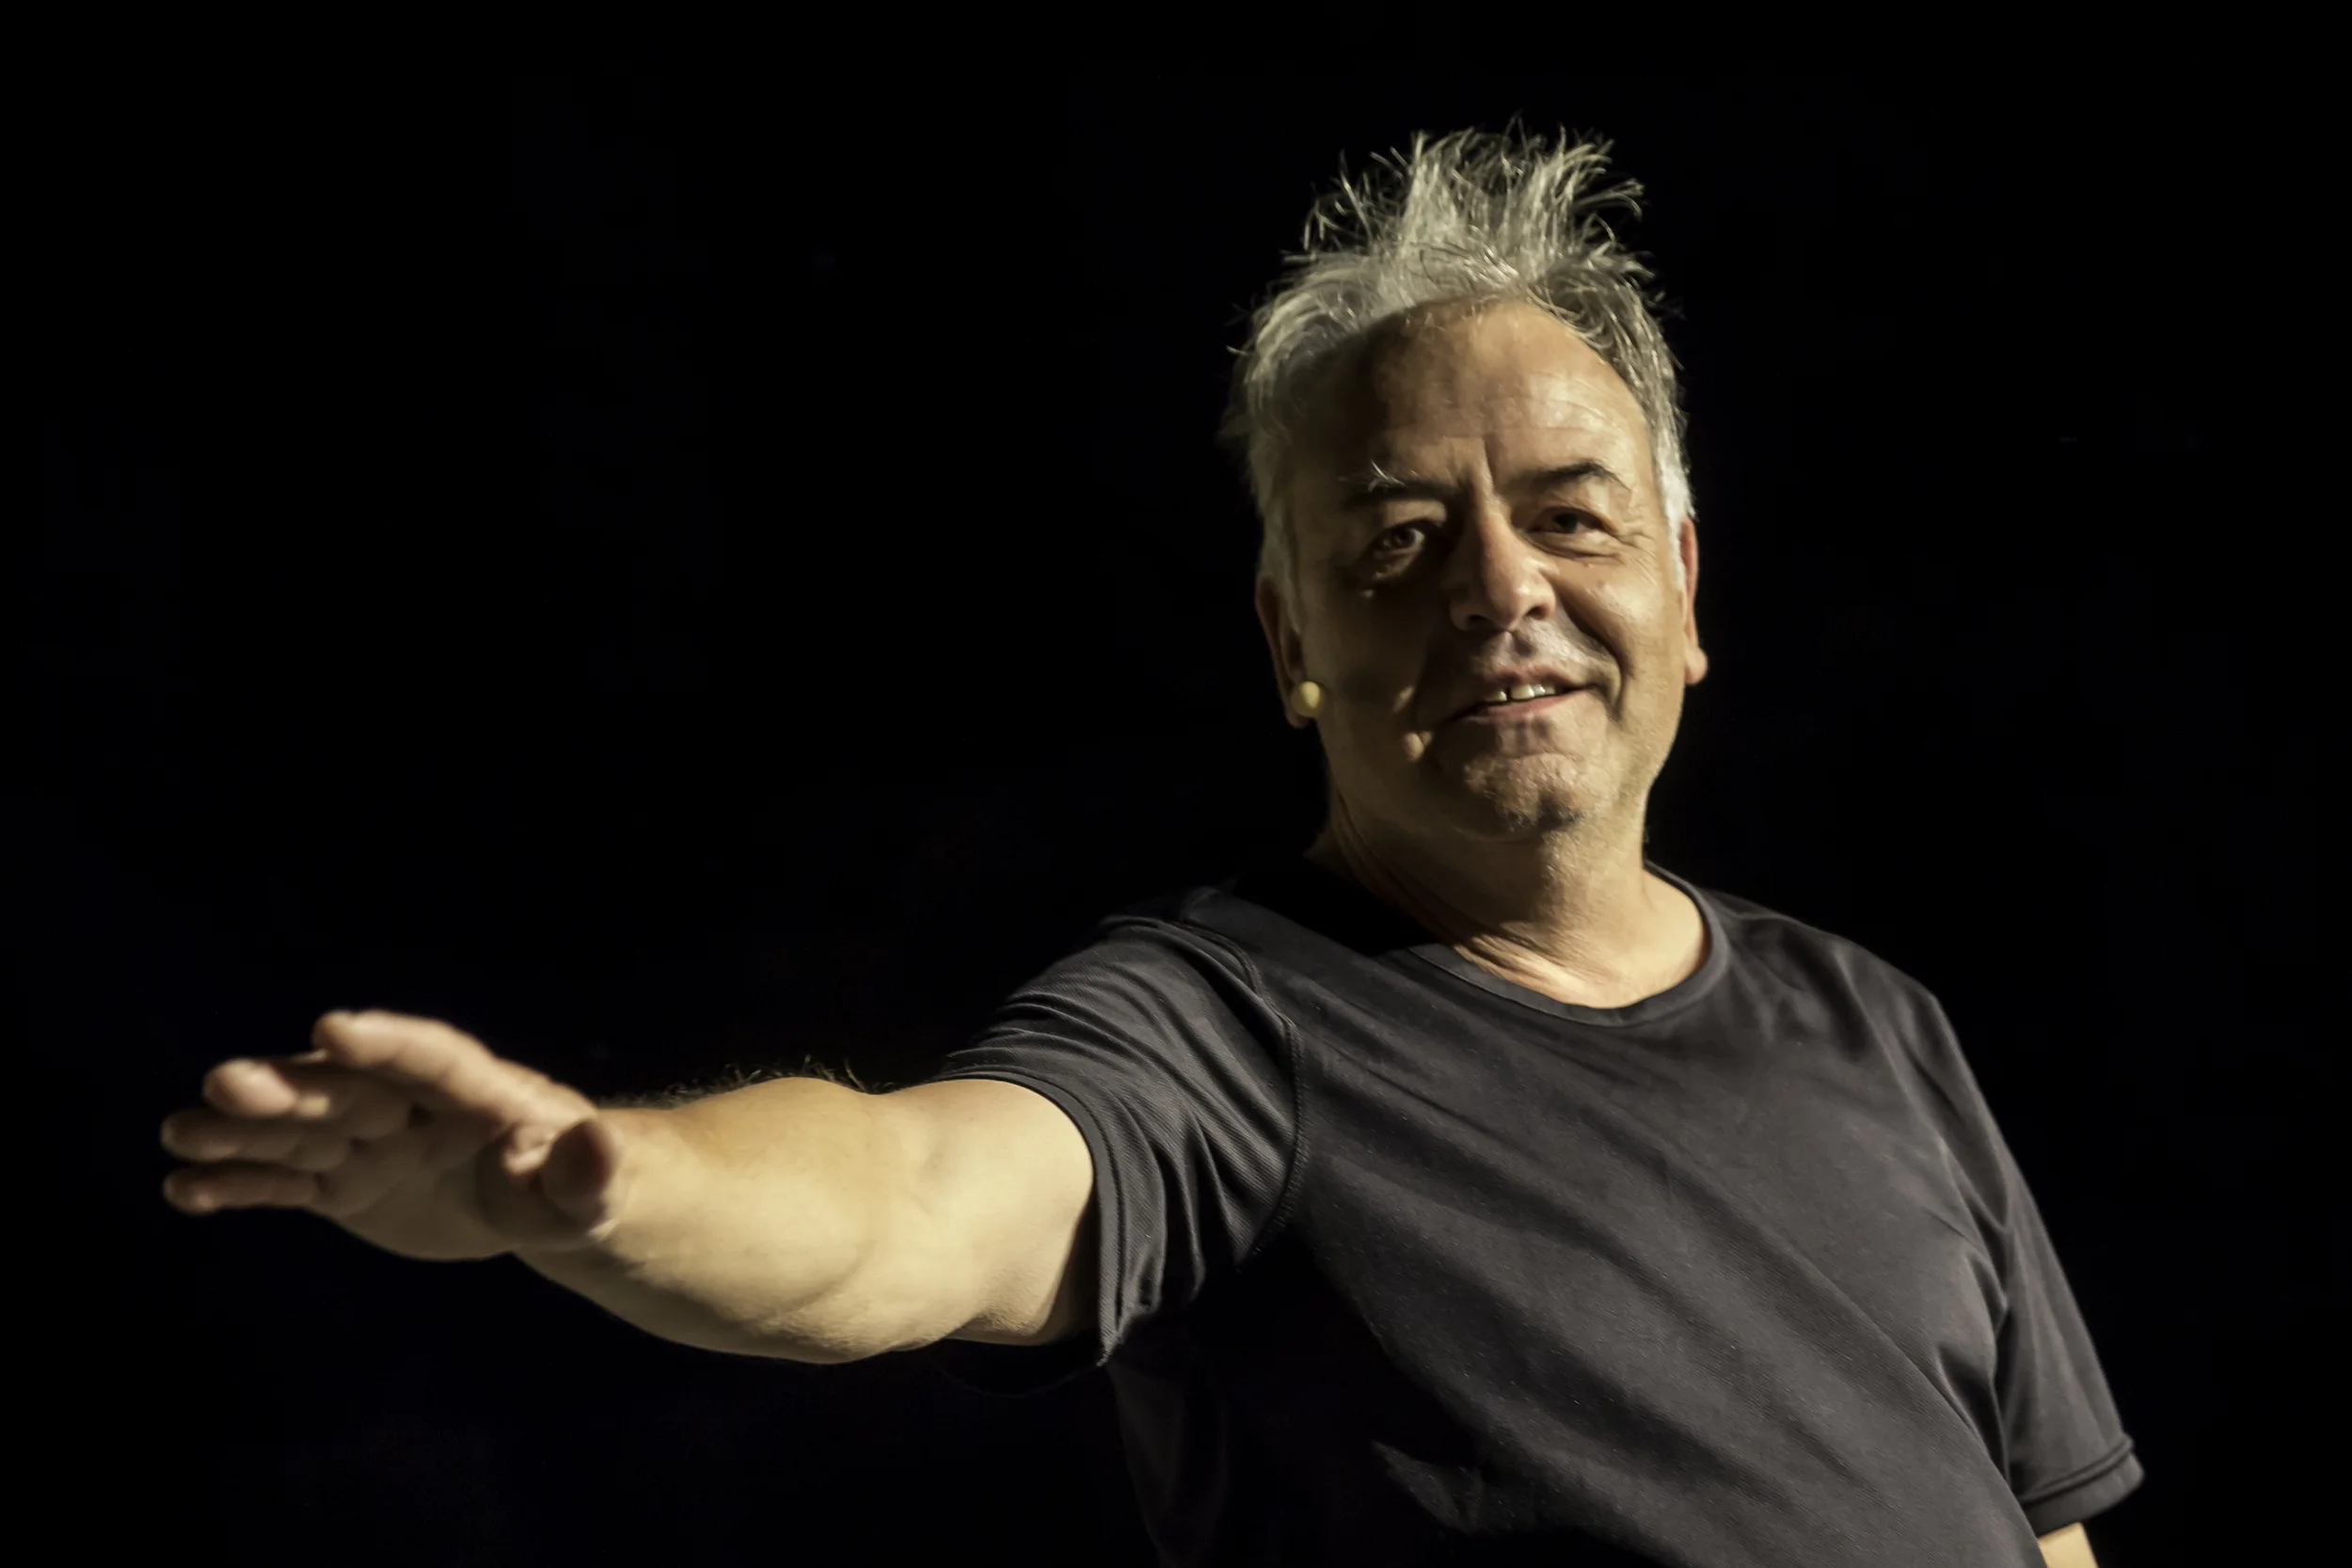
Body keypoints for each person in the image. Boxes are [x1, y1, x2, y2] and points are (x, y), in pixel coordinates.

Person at [159, 127, 2141, 1566]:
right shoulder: (1228, 1025)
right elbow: (915, 1194)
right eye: (1400, 540)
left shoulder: (1873, 1021)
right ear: (1291, 641)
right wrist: (610, 1189)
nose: (1500, 589)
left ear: (1683, 586)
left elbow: (2040, 1530)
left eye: (1570, 514)